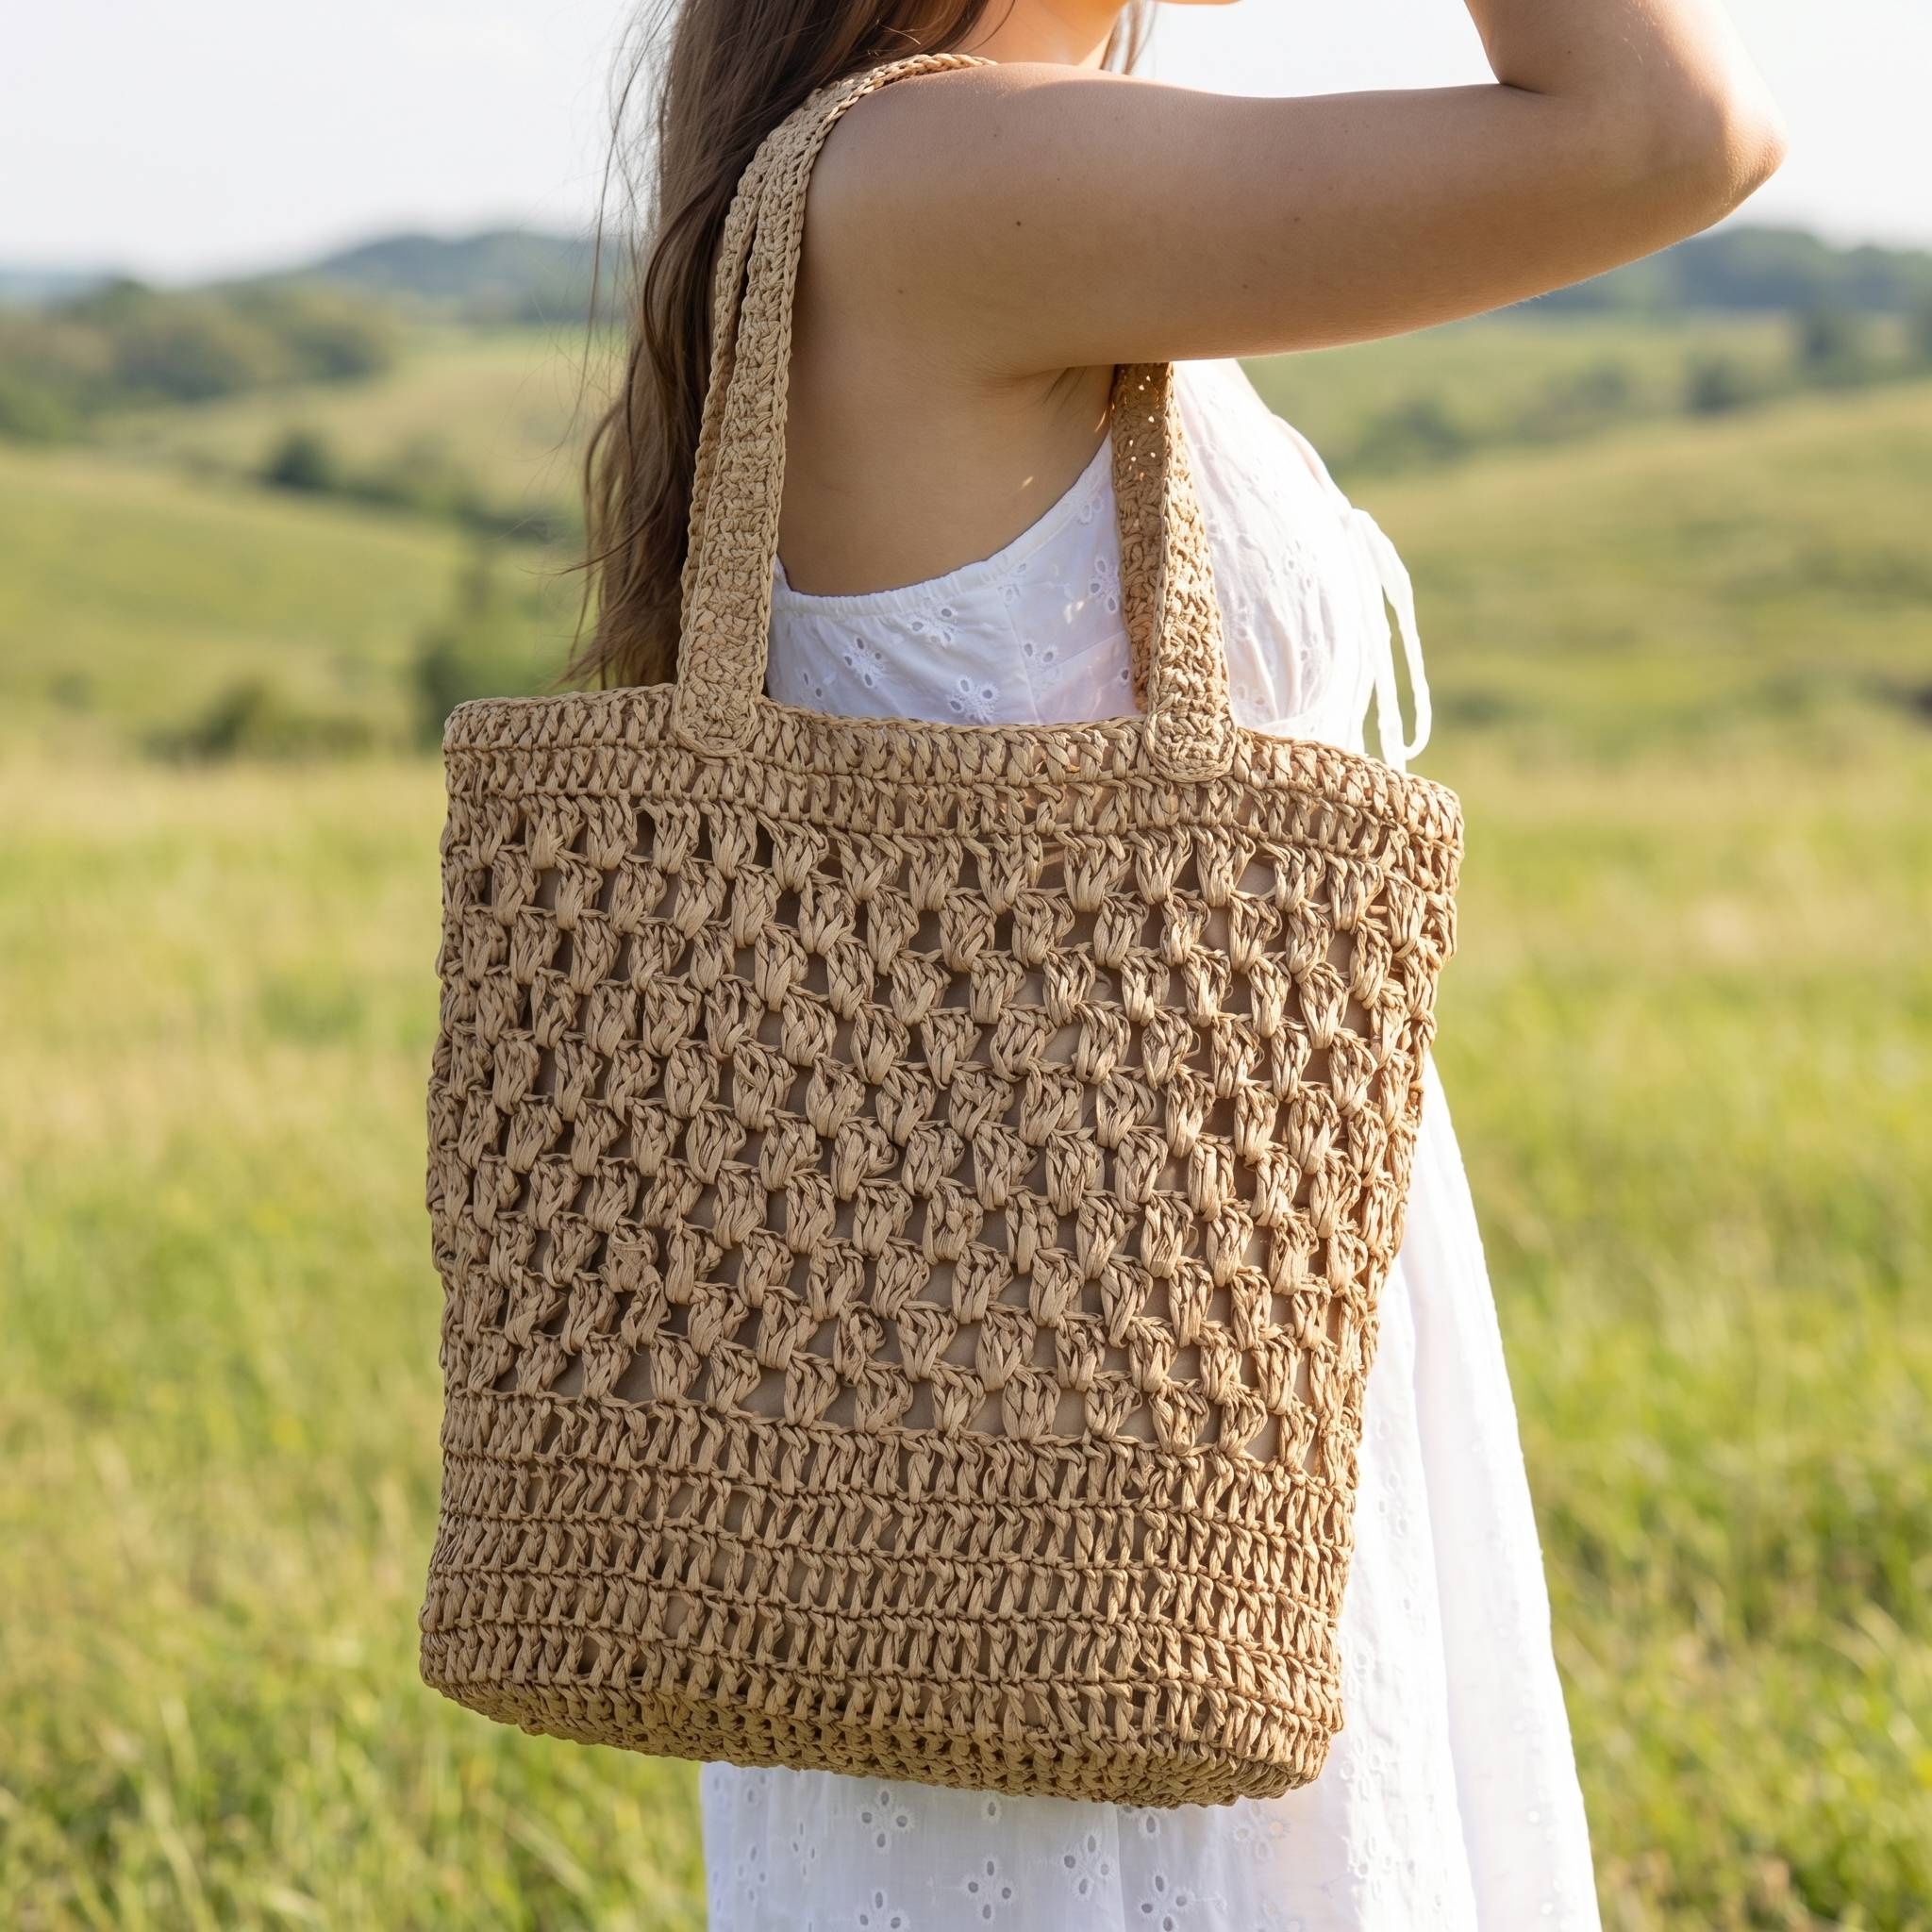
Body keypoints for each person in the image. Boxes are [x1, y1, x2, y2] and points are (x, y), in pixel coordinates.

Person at [572, 1, 1786, 1924]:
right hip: (1099, 1389)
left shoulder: (970, 161)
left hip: (1149, 1335)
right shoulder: (948, 171)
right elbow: (1667, 126)